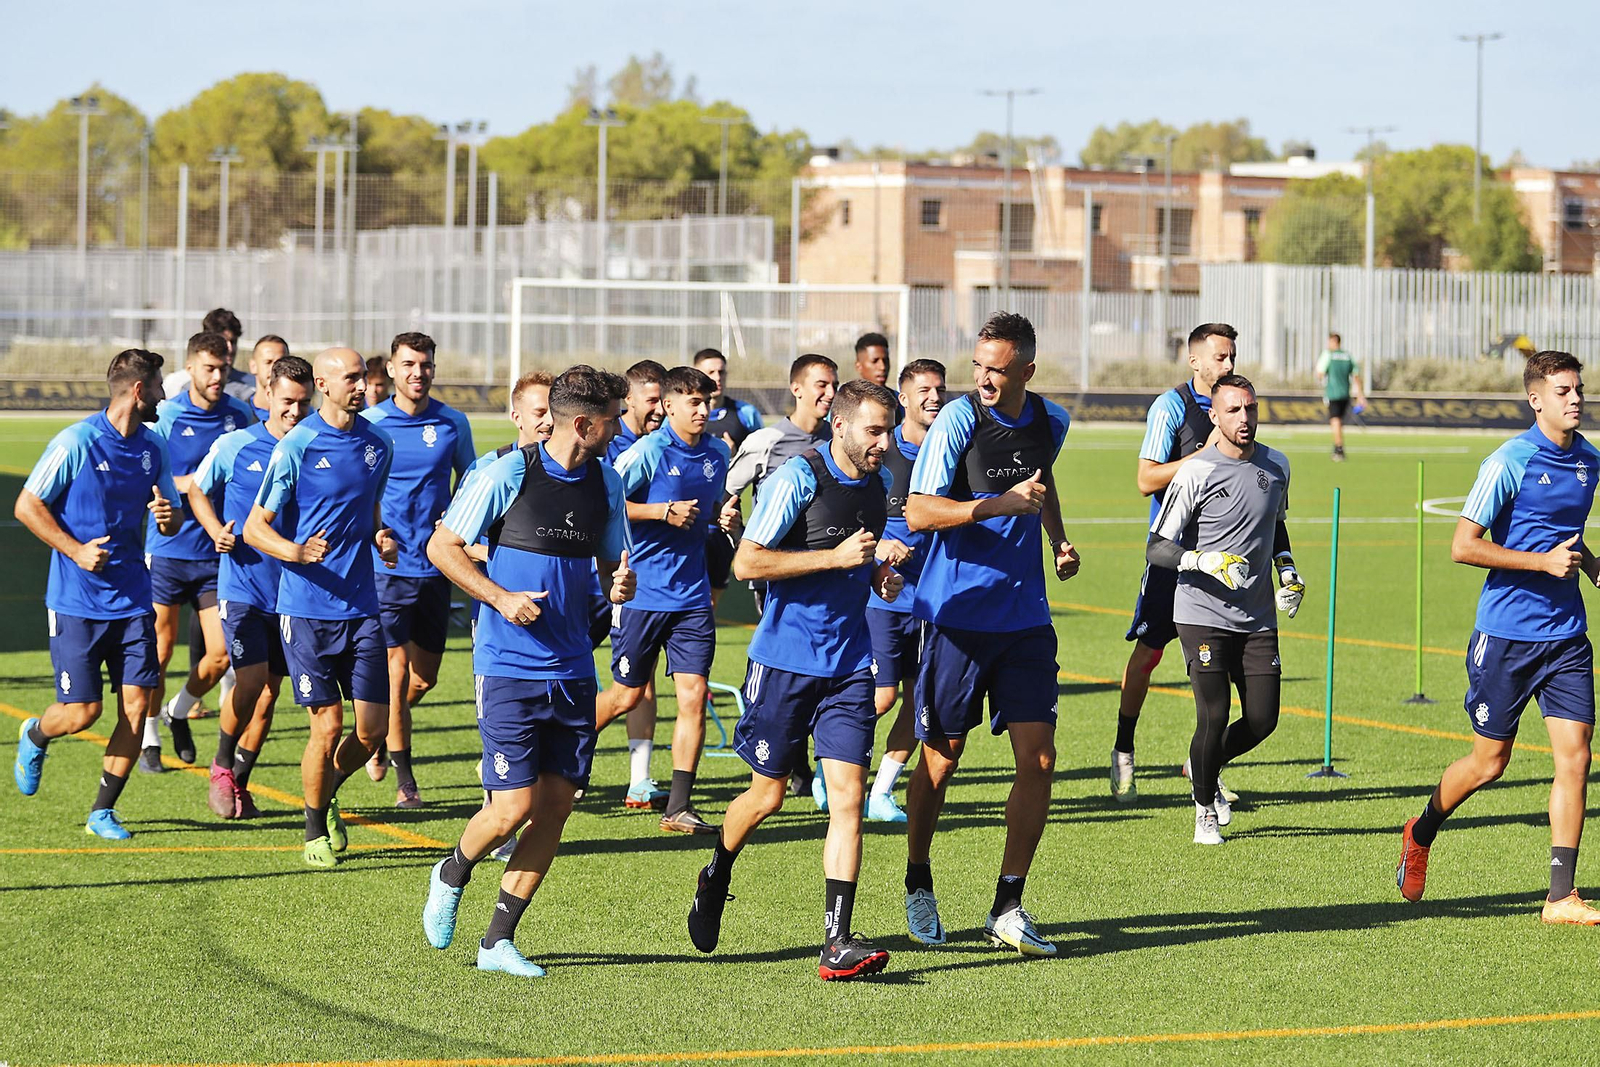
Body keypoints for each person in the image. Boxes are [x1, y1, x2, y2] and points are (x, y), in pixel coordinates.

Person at [686, 379, 905, 981]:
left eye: (888, 431)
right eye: (874, 431)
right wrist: (834, 558)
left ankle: (836, 942)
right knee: (768, 796)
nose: (884, 443)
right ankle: (716, 872)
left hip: (850, 666)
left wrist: (879, 576)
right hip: (784, 662)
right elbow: (747, 562)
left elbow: (861, 559)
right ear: (840, 426)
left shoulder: (880, 482)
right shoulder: (799, 477)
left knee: (849, 798)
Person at [421, 365, 635, 979]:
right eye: (613, 419)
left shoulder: (607, 481)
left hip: (573, 670)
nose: (620, 429)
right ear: (583, 424)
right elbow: (442, 547)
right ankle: (452, 870)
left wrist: (619, 584)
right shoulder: (505, 473)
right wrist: (499, 597)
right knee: (511, 808)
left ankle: (497, 941)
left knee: (557, 808)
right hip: (508, 666)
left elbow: (612, 567)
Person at [1397, 351, 1600, 923]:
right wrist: (1542, 564)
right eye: (1563, 391)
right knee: (1490, 763)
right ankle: (1421, 830)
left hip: (1567, 637)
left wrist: (1591, 565)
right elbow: (1462, 546)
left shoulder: (1589, 460)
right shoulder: (1509, 460)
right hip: (1506, 636)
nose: (1576, 399)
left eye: (1579, 389)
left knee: (1576, 759)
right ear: (1535, 400)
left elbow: (1563, 533)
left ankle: (1560, 896)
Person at [901, 310, 1079, 957]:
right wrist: (997, 505)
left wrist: (1058, 539)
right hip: (958, 616)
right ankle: (918, 877)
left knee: (1040, 759)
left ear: (1027, 369)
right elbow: (918, 511)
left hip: (1025, 618)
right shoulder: (958, 421)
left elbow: (1041, 480)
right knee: (942, 757)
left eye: (996, 370)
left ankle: (1007, 903)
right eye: (977, 366)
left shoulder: (1052, 421)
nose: (982, 379)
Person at [12, 349, 181, 840]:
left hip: (134, 600)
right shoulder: (76, 442)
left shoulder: (154, 446)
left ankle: (102, 812)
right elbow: (27, 505)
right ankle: (36, 733)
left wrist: (168, 517)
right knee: (82, 713)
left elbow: (170, 513)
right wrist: (76, 550)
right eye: (158, 386)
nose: (163, 395)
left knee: (136, 707)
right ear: (138, 390)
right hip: (77, 601)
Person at [243, 348, 398, 868]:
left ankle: (325, 788)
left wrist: (380, 535)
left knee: (372, 732)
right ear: (323, 385)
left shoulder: (379, 443)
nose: (363, 386)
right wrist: (295, 552)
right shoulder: (297, 445)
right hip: (306, 609)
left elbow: (369, 508)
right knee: (327, 726)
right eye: (351, 378)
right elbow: (255, 527)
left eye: (363, 378)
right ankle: (314, 830)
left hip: (362, 607)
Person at [1145, 374, 1299, 846]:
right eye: (1233, 410)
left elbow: (1276, 525)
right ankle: (1203, 810)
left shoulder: (1277, 465)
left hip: (1257, 615)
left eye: (1250, 408)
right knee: (1213, 715)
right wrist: (1202, 561)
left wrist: (1288, 572)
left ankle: (1203, 766)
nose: (1244, 418)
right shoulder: (1196, 472)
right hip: (1201, 612)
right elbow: (1157, 547)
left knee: (1263, 719)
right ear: (1214, 416)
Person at [596, 366, 738, 833]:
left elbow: (709, 509)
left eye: (706, 401)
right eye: (693, 402)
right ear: (669, 406)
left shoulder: (718, 452)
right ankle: (551, 755)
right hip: (643, 593)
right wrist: (661, 512)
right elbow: (605, 503)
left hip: (692, 596)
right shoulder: (648, 452)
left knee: (693, 696)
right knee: (626, 696)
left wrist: (724, 517)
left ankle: (677, 807)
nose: (703, 410)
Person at [1110, 323, 1237, 803]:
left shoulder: (1234, 406)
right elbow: (1146, 479)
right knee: (1148, 656)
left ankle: (1201, 764)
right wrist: (1203, 455)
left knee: (1217, 664)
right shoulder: (1171, 407)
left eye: (1232, 356)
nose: (1229, 364)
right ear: (1194, 361)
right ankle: (1124, 751)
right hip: (1172, 554)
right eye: (1220, 357)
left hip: (1218, 558)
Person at [186, 355, 314, 818]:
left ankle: (240, 780)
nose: (295, 411)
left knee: (268, 697)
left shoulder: (317, 446)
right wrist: (214, 529)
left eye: (303, 403)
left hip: (294, 593)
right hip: (243, 586)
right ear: (268, 395)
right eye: (287, 401)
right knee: (251, 680)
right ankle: (221, 766)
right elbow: (197, 489)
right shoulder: (235, 445)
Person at [360, 332, 476, 807]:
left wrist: (460, 522)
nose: (417, 372)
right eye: (408, 364)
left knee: (422, 679)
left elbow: (472, 482)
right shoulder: (369, 423)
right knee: (395, 669)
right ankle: (405, 779)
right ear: (391, 369)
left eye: (425, 364)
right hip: (385, 566)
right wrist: (374, 533)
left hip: (436, 565)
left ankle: (380, 728)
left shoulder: (452, 423)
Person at [141, 331, 258, 772]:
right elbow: (147, 475)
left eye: (223, 368)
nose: (217, 377)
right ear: (189, 367)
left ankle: (177, 710)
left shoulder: (239, 415)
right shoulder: (167, 415)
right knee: (160, 650)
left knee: (222, 654)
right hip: (168, 551)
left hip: (216, 553)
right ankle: (149, 737)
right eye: (209, 368)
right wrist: (193, 484)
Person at [725, 352, 839, 798]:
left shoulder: (838, 439)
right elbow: (727, 495)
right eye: (821, 384)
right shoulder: (767, 441)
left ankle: (814, 763)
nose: (829, 393)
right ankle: (785, 759)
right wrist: (735, 528)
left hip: (834, 576)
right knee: (789, 663)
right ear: (797, 388)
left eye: (834, 385)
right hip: (776, 576)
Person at [861, 359, 945, 824]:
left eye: (940, 389)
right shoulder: (883, 453)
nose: (934, 397)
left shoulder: (949, 452)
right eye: (924, 390)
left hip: (930, 604)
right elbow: (853, 518)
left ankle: (880, 793)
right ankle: (824, 765)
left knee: (919, 701)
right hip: (883, 600)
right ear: (904, 398)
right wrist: (880, 547)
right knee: (882, 697)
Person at [694, 348, 762, 612]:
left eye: (721, 371)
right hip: (690, 519)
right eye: (710, 372)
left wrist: (733, 457)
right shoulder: (682, 416)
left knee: (712, 599)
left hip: (726, 522)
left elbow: (761, 463)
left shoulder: (745, 413)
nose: (717, 377)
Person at [164, 309, 255, 404]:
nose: (230, 348)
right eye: (223, 341)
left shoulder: (252, 384)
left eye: (233, 342)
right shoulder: (177, 383)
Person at [1316, 332, 1365, 462]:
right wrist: (1360, 395)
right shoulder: (1348, 356)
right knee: (1339, 421)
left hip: (1333, 393)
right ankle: (1337, 445)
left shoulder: (1328, 355)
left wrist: (1324, 380)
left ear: (1334, 341)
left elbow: (1320, 373)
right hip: (1345, 394)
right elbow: (1356, 376)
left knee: (1335, 420)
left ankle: (1339, 448)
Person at [609, 361, 666, 461]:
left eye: (664, 400)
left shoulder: (667, 438)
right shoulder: (609, 443)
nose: (661, 410)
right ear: (629, 399)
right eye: (652, 401)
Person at [246, 336, 289, 423]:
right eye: (268, 362)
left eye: (280, 363)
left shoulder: (302, 415)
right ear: (253, 366)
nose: (274, 368)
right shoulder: (239, 414)